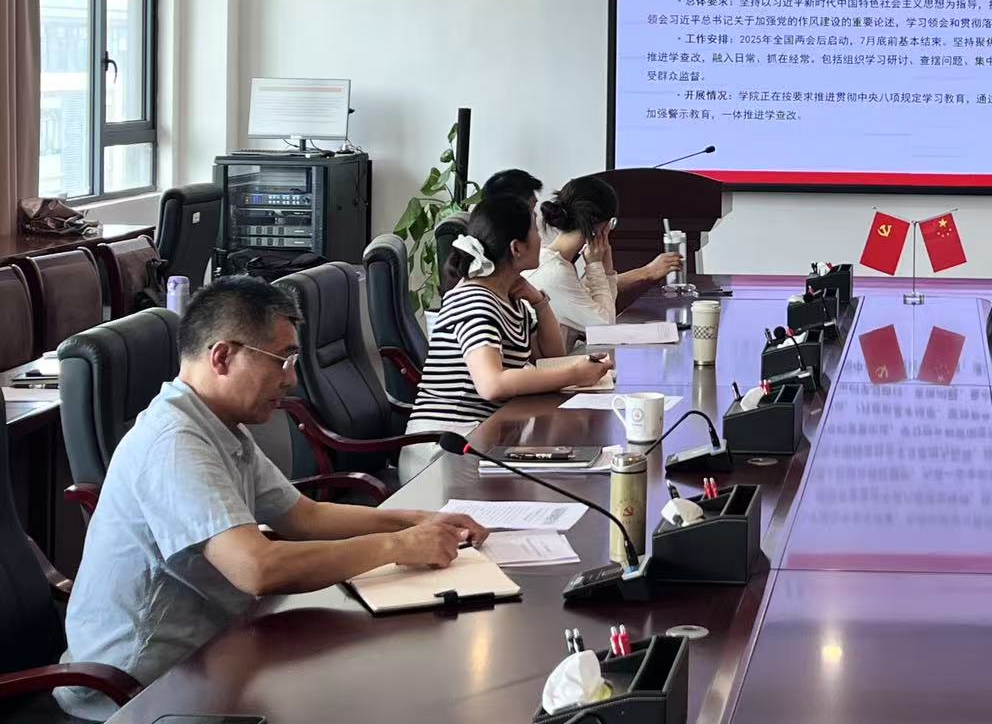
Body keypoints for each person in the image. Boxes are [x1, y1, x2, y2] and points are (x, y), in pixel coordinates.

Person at [55, 278, 490, 720]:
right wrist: (398, 546)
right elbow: (256, 568)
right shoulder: (173, 442)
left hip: (213, 652)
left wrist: (418, 520)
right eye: (282, 360)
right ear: (222, 356)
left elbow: (303, 516)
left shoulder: (219, 424)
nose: (292, 378)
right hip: (137, 689)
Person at [403, 195, 611, 478]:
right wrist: (574, 374)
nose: (541, 238)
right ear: (516, 248)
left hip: (483, 437)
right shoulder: (476, 300)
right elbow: (492, 384)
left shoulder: (510, 298)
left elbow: (551, 356)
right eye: (535, 231)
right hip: (444, 450)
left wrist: (539, 302)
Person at [486, 167, 680, 299]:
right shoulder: (543, 268)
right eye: (530, 210)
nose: (536, 219)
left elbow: (581, 296)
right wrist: (599, 266)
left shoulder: (550, 262)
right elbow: (601, 323)